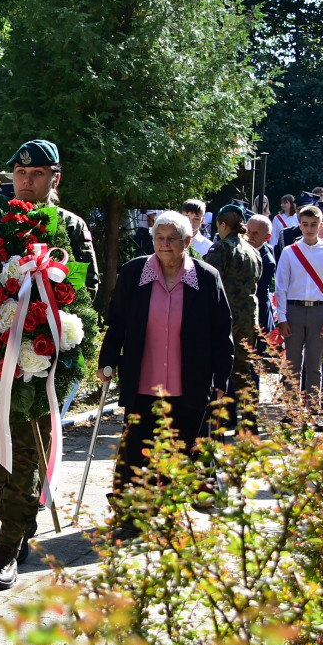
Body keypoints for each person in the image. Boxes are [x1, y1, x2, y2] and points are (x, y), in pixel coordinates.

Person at [0, 139, 100, 590]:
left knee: (25, 454)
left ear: (54, 178)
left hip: (45, 359)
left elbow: (86, 290)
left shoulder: (70, 226)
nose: (26, 181)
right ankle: (21, 523)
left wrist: (52, 292)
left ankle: (6, 552)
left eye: (37, 175)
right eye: (21, 174)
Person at [98, 211, 233, 533]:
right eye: (160, 238)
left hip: (189, 382)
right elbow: (116, 322)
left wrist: (221, 378)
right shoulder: (135, 273)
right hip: (143, 380)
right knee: (135, 451)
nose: (165, 244)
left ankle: (169, 512)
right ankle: (131, 515)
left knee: (179, 449)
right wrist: (107, 361)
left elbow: (221, 331)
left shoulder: (206, 276)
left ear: (187, 241)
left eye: (172, 238)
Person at [275, 205, 323, 414]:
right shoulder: (289, 252)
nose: (309, 228)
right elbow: (281, 286)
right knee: (292, 365)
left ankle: (314, 411)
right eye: (305, 224)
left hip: (318, 312)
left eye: (314, 224)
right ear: (299, 225)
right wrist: (282, 317)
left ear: (321, 225)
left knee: (314, 366)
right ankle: (291, 412)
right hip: (293, 311)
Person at [203, 204, 262, 430]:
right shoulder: (254, 251)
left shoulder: (220, 249)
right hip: (248, 318)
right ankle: (249, 424)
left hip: (224, 317)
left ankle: (217, 424)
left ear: (223, 225)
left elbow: (209, 282)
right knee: (243, 372)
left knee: (219, 371)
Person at [245, 214, 276, 350]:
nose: (249, 236)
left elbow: (257, 293)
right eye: (248, 231)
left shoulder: (267, 261)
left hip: (257, 321)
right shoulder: (242, 250)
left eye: (255, 233)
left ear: (267, 237)